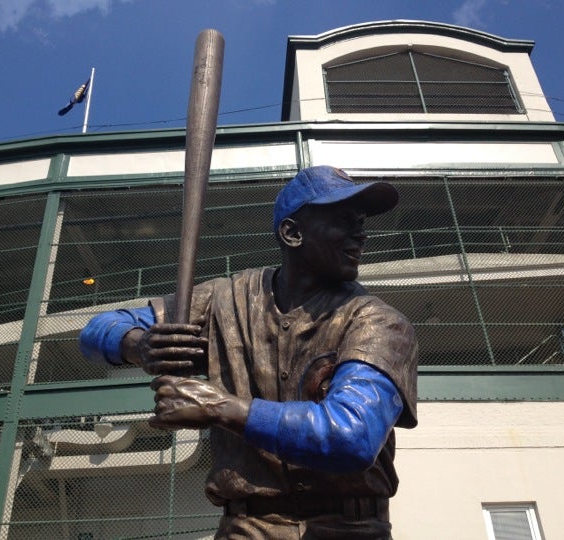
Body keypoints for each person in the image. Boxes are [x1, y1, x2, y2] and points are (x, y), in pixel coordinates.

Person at [80, 165, 418, 539]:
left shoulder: (379, 321)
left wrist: (220, 407)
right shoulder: (224, 298)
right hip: (246, 526)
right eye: (343, 221)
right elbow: (95, 331)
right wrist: (137, 345)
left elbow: (351, 437)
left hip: (349, 528)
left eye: (361, 222)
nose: (360, 234)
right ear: (292, 233)